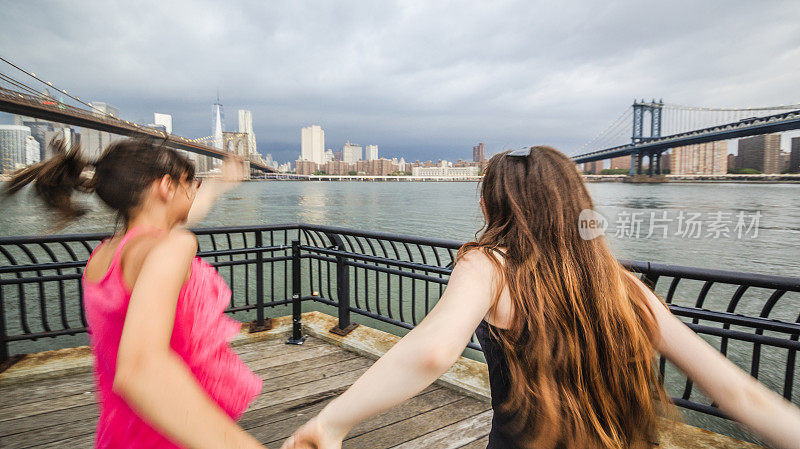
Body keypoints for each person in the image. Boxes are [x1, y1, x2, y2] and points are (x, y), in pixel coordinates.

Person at [281, 146, 800, 449]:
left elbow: (434, 350)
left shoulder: (487, 265)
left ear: (488, 204)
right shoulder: (623, 286)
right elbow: (741, 396)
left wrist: (332, 421)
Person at [4, 138, 265, 449]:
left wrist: (220, 183)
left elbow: (168, 220)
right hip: (174, 431)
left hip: (125, 429)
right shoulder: (171, 247)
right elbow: (141, 369)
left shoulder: (105, 255)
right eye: (190, 183)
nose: (195, 191)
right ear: (166, 186)